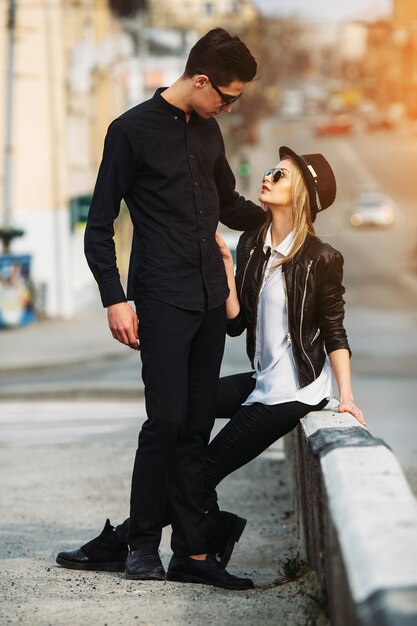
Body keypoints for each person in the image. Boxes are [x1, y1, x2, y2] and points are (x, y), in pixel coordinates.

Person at [57, 145, 365, 580]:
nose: (267, 177)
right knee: (179, 409)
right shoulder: (255, 245)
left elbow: (335, 330)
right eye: (269, 171)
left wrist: (345, 396)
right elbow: (238, 324)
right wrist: (226, 274)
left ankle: (128, 540)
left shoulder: (321, 258)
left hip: (291, 393)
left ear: (300, 194)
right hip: (261, 380)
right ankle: (199, 531)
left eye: (280, 175)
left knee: (198, 473)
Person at [76, 28, 266, 591]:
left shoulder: (209, 135)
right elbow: (99, 226)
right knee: (166, 420)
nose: (229, 109)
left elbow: (229, 205)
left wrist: (287, 217)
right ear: (201, 79)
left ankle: (192, 553)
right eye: (227, 97)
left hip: (209, 297)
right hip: (159, 297)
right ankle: (140, 546)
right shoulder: (129, 131)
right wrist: (115, 298)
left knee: (196, 426)